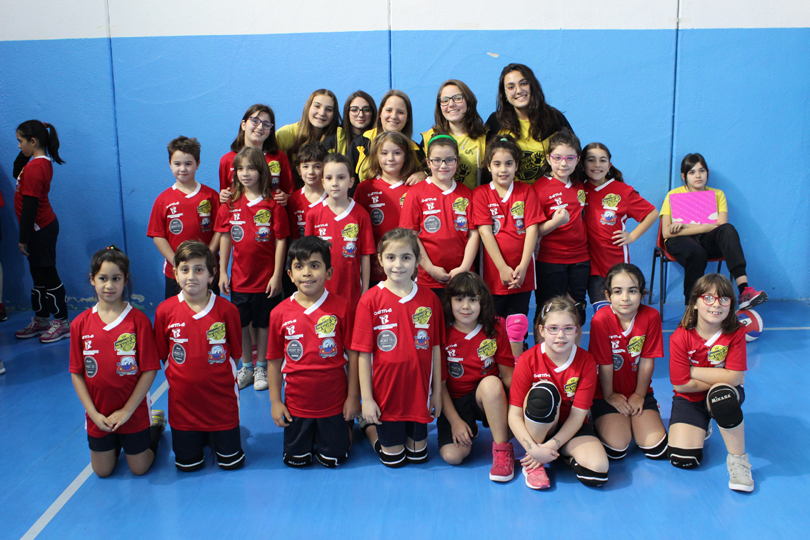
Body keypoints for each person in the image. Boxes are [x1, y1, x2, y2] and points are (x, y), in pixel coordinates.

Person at [69, 246, 165, 477]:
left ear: (125, 280)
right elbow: (77, 373)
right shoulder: (80, 324)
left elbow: (150, 370)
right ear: (92, 279)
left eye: (116, 278)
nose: (109, 285)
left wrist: (127, 411)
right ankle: (118, 441)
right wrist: (93, 414)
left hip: (133, 412)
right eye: (103, 278)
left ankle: (154, 427)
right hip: (99, 414)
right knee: (102, 471)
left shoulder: (138, 321)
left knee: (139, 468)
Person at [353, 228, 443, 467]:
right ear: (380, 260)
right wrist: (366, 399)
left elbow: (435, 348)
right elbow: (363, 354)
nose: (398, 265)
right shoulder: (370, 300)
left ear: (417, 261)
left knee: (418, 458)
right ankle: (369, 427)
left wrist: (437, 393)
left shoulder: (430, 299)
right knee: (393, 460)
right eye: (391, 257)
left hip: (419, 395)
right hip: (386, 396)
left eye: (406, 257)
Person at [267, 236, 360, 467]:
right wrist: (276, 402)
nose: (307, 273)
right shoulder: (279, 313)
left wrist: (353, 397)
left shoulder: (342, 307)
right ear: (290, 275)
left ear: (328, 273)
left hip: (334, 403)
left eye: (315, 266)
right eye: (299, 267)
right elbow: (274, 362)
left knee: (334, 460)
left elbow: (354, 356)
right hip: (296, 406)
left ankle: (348, 428)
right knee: (296, 461)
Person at [154, 241, 245, 472]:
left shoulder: (227, 310)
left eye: (199, 269)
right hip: (184, 408)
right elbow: (164, 355)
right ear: (175, 274)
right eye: (185, 270)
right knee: (188, 466)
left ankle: (215, 434)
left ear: (211, 275)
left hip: (221, 405)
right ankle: (156, 428)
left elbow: (235, 353)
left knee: (231, 464)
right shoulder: (165, 311)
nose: (191, 276)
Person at [508, 296, 608, 490]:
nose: (560, 335)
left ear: (576, 330)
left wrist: (551, 446)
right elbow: (513, 414)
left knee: (598, 471)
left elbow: (578, 415)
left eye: (568, 328)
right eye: (553, 328)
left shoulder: (587, 361)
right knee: (544, 393)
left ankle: (556, 454)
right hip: (536, 427)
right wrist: (533, 449)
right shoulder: (528, 359)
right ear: (541, 330)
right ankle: (534, 464)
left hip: (570, 427)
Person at [667, 273, 753, 492]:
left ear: (731, 304)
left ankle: (738, 460)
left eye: (724, 299)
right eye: (708, 298)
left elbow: (735, 378)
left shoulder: (736, 332)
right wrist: (724, 375)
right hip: (689, 398)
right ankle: (704, 420)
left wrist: (692, 371)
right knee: (683, 459)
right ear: (695, 303)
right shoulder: (680, 337)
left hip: (724, 393)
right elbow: (680, 385)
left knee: (721, 396)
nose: (716, 304)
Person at [216, 147, 289, 391]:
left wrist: (277, 275)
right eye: (240, 169)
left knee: (263, 324)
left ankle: (261, 366)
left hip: (266, 279)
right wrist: (223, 271)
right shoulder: (230, 202)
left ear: (261, 171)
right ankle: (247, 366)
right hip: (239, 279)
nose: (245, 173)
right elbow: (225, 236)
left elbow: (281, 240)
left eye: (250, 168)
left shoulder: (273, 203)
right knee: (242, 325)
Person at [660, 153, 767, 308]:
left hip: (706, 240)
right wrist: (705, 226)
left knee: (728, 230)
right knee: (697, 253)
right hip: (680, 240)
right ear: (684, 176)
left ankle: (744, 291)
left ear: (707, 172)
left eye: (701, 171)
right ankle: (691, 307)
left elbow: (721, 225)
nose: (698, 176)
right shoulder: (673, 195)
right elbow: (666, 233)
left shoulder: (718, 194)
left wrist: (686, 225)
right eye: (692, 172)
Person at [439, 272, 515, 482]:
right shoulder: (442, 331)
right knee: (453, 456)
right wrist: (455, 421)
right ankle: (468, 426)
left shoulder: (495, 328)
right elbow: (440, 385)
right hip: (454, 402)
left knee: (491, 384)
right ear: (449, 301)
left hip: (487, 396)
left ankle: (502, 450)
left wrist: (519, 412)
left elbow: (508, 377)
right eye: (459, 299)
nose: (466, 306)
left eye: (473, 300)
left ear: (483, 302)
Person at [589, 263, 668, 461]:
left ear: (642, 294)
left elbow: (647, 361)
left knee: (656, 448)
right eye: (618, 291)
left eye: (632, 291)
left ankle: (643, 413)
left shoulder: (651, 317)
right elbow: (605, 364)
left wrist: (639, 395)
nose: (625, 297)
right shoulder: (600, 319)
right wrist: (610, 395)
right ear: (608, 296)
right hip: (605, 392)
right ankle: (596, 415)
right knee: (616, 449)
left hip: (638, 390)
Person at [473, 135, 542, 357]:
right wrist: (503, 268)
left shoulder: (526, 191)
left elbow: (532, 230)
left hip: (523, 274)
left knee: (518, 324)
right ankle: (496, 366)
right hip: (493, 275)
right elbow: (485, 232)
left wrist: (523, 266)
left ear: (517, 165)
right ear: (488, 166)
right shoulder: (481, 194)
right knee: (494, 324)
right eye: (497, 164)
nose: (503, 169)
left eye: (509, 163)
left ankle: (517, 365)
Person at [582, 143, 657, 314]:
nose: (597, 165)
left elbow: (652, 213)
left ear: (609, 165)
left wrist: (632, 236)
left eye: (602, 160)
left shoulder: (622, 191)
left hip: (612, 265)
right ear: (582, 163)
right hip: (585, 264)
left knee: (613, 315)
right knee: (589, 313)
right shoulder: (578, 189)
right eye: (591, 160)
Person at [400, 135, 478, 297]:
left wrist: (464, 268)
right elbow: (410, 235)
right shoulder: (415, 193)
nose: (443, 165)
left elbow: (473, 234)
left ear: (457, 161)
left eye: (449, 160)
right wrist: (430, 268)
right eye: (436, 160)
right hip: (428, 278)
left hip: (463, 276)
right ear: (428, 163)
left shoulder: (467, 193)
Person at [13, 120, 70, 343]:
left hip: (41, 230)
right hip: (37, 230)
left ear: (33, 141)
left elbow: (30, 207)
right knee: (37, 276)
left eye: (21, 141)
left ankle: (62, 322)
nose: (19, 146)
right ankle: (42, 319)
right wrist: (28, 149)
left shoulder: (36, 168)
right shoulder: (36, 163)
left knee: (48, 275)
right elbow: (16, 171)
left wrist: (23, 238)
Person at [148, 136, 220, 298]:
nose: (183, 169)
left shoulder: (211, 196)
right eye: (177, 164)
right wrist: (176, 262)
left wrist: (208, 257)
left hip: (207, 271)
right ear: (170, 164)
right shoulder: (163, 200)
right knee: (176, 310)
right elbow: (158, 235)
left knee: (210, 309)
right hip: (175, 272)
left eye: (188, 164)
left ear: (197, 164)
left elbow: (220, 230)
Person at [532, 129, 589, 325]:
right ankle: (542, 345)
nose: (563, 163)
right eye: (557, 158)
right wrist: (555, 222)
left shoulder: (580, 185)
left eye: (569, 158)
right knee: (548, 310)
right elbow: (534, 231)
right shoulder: (538, 189)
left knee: (576, 311)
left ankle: (573, 345)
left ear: (577, 159)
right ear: (549, 158)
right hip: (550, 260)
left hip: (580, 259)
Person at [305, 153, 374, 309]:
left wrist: (365, 290)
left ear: (351, 182)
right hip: (321, 293)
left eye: (341, 178)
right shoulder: (313, 215)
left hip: (351, 293)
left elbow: (365, 255)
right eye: (329, 178)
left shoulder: (361, 215)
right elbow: (307, 256)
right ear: (323, 182)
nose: (335, 183)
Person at [485, 64, 573, 185]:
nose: (519, 90)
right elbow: (486, 164)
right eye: (511, 87)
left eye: (524, 83)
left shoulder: (554, 118)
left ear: (533, 85)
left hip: (548, 193)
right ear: (504, 93)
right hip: (510, 194)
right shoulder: (496, 121)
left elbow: (573, 156)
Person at [353, 131, 420, 285]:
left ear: (406, 156)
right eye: (384, 153)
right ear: (376, 156)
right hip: (375, 270)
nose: (390, 158)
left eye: (397, 153)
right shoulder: (365, 188)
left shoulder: (416, 187)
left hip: (409, 270)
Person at [218, 104, 292, 207]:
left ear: (270, 131)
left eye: (266, 124)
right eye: (255, 121)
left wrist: (286, 198)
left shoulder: (279, 157)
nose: (260, 127)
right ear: (243, 125)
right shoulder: (227, 160)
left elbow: (290, 193)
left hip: (272, 214)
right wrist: (222, 196)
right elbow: (225, 194)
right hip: (239, 215)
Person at [420, 80, 488, 189]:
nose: (451, 104)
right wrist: (421, 173)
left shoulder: (485, 138)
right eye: (445, 100)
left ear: (469, 101)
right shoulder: (429, 137)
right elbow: (420, 170)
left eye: (458, 98)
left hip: (471, 199)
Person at [350, 89, 426, 184]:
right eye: (389, 110)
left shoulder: (416, 150)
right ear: (380, 113)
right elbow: (349, 180)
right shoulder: (362, 142)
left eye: (400, 112)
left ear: (407, 118)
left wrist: (424, 175)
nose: (393, 116)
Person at [282, 143, 328, 298]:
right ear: (298, 170)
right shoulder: (293, 200)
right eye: (306, 166)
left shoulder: (333, 197)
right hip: (303, 265)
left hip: (327, 263)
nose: (311, 172)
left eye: (317, 166)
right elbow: (294, 239)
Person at [277, 90, 346, 172]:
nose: (322, 113)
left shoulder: (339, 139)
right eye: (317, 106)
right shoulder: (284, 134)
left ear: (334, 114)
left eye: (329, 109)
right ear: (308, 107)